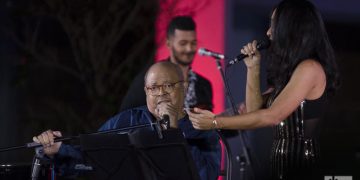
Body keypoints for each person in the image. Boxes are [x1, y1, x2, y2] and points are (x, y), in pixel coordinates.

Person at [187, 0, 339, 180]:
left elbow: (272, 116)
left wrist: (214, 123)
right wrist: (253, 68)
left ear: (291, 27)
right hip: (282, 168)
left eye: (274, 25)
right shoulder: (292, 72)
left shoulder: (310, 68)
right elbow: (254, 110)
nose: (268, 32)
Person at [33, 62, 221, 180]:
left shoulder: (202, 127)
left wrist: (172, 129)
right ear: (146, 92)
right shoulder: (127, 120)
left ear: (184, 88)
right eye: (154, 88)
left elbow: (205, 176)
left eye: (169, 86)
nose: (161, 93)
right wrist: (57, 150)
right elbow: (91, 157)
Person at [120, 15, 213, 112]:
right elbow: (126, 117)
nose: (189, 49)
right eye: (183, 43)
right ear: (169, 44)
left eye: (193, 43)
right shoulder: (150, 78)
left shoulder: (204, 85)